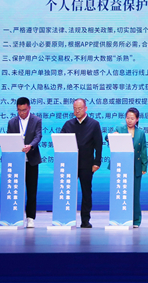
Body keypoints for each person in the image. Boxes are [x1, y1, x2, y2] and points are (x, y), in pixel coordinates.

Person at [60, 98, 102, 228]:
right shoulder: (68, 124)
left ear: (85, 108)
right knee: (68, 191)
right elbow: (60, 141)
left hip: (87, 165)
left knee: (86, 192)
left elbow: (98, 145)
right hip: (70, 164)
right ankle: (66, 218)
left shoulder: (94, 124)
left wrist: (97, 162)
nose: (77, 111)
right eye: (75, 109)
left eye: (79, 108)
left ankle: (85, 220)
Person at [106, 107, 148, 228]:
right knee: (119, 192)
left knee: (135, 194)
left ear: (137, 119)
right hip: (120, 166)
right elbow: (107, 138)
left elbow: (143, 150)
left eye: (132, 118)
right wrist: (110, 136)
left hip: (135, 166)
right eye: (127, 118)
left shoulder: (141, 133)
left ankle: (135, 220)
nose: (129, 120)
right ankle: (119, 218)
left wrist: (144, 166)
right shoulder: (119, 129)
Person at [6, 97, 42, 228]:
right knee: (15, 189)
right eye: (19, 110)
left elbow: (38, 136)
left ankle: (30, 217)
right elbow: (9, 138)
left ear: (29, 108)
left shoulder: (36, 120)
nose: (21, 113)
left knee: (31, 191)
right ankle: (14, 216)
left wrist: (30, 146)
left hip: (31, 160)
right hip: (17, 161)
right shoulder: (12, 122)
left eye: (24, 110)